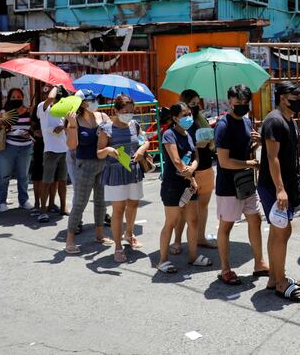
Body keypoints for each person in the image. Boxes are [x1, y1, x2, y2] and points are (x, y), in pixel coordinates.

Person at [214, 84, 269, 285]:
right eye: (238, 103)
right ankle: (225, 268)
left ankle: (259, 263)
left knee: (255, 220)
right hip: (228, 185)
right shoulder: (223, 126)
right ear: (229, 102)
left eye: (245, 103)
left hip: (246, 183)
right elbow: (224, 161)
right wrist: (251, 164)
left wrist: (258, 143)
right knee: (226, 226)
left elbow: (245, 150)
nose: (242, 107)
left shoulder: (246, 122)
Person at [258, 81, 300, 300]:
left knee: (281, 231)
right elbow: (272, 157)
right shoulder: (274, 121)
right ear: (282, 98)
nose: (298, 101)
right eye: (294, 97)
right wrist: (280, 189)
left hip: (287, 184)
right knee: (280, 232)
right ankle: (280, 281)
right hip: (273, 187)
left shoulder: (289, 121)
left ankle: (273, 277)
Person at [156, 103, 211, 273]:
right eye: (184, 114)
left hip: (189, 185)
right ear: (174, 118)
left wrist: (193, 169)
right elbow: (176, 161)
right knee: (171, 223)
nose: (188, 117)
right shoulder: (169, 135)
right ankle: (163, 260)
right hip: (173, 185)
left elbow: (195, 156)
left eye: (189, 113)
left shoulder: (188, 134)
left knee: (193, 221)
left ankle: (193, 256)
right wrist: (189, 175)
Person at [97, 94, 150, 263]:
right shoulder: (106, 128)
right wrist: (109, 150)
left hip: (134, 170)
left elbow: (145, 141)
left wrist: (142, 149)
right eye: (125, 111)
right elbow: (98, 153)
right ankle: (118, 246)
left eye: (131, 111)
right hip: (115, 172)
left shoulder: (134, 124)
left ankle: (129, 233)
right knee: (118, 209)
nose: (129, 114)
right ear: (116, 110)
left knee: (133, 204)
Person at [64, 90, 112, 254]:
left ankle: (99, 234)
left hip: (103, 163)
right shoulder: (74, 119)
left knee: (101, 201)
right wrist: (71, 125)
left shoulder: (103, 117)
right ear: (82, 103)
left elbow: (111, 136)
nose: (94, 102)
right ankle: (69, 239)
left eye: (95, 99)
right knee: (80, 202)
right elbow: (72, 145)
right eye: (91, 100)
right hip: (84, 165)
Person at [170, 89, 217, 256]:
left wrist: (210, 139)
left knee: (203, 207)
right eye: (192, 104)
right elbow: (179, 149)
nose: (196, 107)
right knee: (184, 209)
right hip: (190, 171)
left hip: (206, 167)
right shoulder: (178, 126)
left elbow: (212, 142)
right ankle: (177, 240)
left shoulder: (201, 118)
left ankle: (200, 237)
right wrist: (197, 145)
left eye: (198, 103)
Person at [0, 88, 34, 213]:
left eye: (19, 97)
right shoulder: (4, 112)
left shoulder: (29, 111)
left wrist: (30, 133)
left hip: (26, 147)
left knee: (23, 175)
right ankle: (2, 202)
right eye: (14, 97)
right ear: (9, 99)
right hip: (7, 147)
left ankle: (24, 200)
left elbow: (34, 127)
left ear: (23, 97)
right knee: (4, 175)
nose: (16, 99)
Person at [36, 85, 69, 223]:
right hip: (50, 150)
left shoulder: (62, 110)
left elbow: (67, 127)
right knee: (47, 181)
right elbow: (50, 98)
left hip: (63, 149)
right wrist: (56, 85)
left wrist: (64, 127)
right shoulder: (43, 107)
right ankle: (43, 211)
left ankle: (62, 207)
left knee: (62, 181)